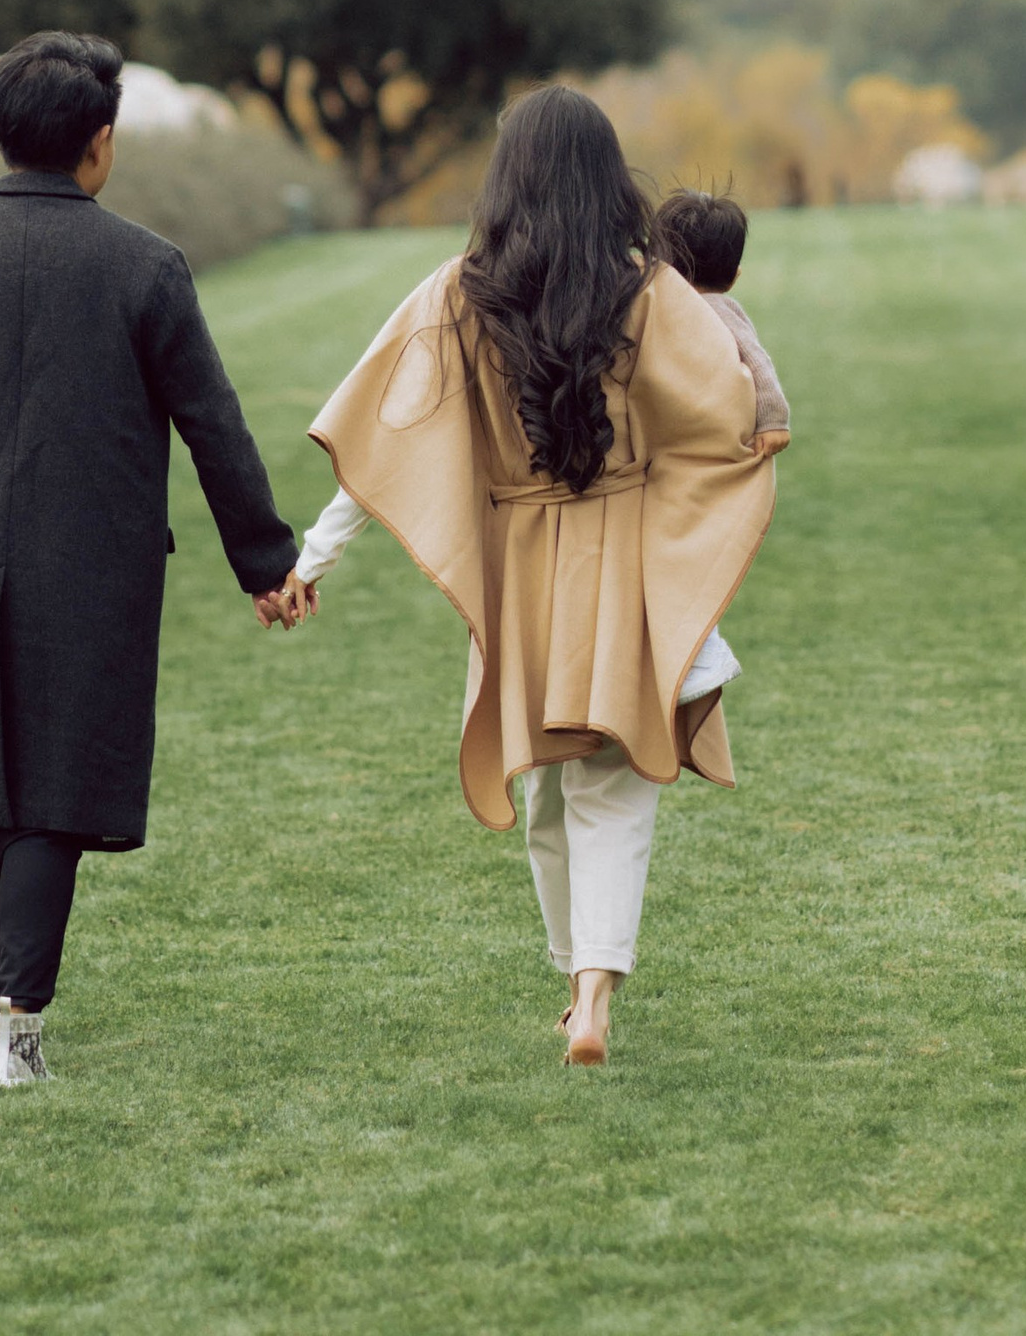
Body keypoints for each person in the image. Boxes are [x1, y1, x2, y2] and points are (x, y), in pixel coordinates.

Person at [0, 29, 302, 1086]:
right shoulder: (144, 264)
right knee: (49, 789)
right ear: (100, 141)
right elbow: (211, 423)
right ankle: (18, 1023)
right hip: (90, 568)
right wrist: (266, 562)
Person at [281, 85, 774, 1067]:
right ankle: (592, 990)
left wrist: (311, 556)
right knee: (611, 785)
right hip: (623, 563)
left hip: (522, 574)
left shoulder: (456, 294)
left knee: (545, 785)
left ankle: (574, 982)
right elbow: (729, 412)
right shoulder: (650, 291)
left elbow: (388, 432)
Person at [652, 190, 792, 444]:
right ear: (734, 277)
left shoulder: (717, 311)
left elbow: (756, 361)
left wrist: (773, 421)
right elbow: (758, 362)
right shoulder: (660, 308)